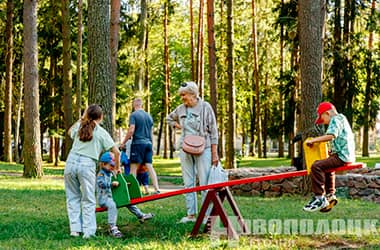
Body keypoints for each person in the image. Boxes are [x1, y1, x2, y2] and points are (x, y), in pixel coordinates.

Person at [64, 104, 120, 239]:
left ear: (87, 115)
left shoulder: (80, 126)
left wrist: (82, 117)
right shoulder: (101, 132)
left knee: (72, 197)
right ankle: (88, 232)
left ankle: (75, 230)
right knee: (88, 199)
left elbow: (69, 132)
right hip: (87, 164)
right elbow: (116, 152)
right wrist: (117, 168)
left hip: (71, 162)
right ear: (101, 117)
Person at [166, 81, 219, 223]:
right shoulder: (180, 109)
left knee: (204, 183)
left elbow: (214, 132)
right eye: (181, 95)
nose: (182, 97)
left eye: (184, 95)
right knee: (188, 182)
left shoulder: (205, 107)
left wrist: (214, 153)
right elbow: (168, 118)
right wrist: (176, 125)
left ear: (193, 94)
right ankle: (191, 215)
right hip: (186, 148)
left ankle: (206, 215)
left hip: (204, 148)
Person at [303, 102, 355, 212]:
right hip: (346, 154)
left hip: (341, 156)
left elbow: (331, 136)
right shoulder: (342, 119)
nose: (323, 123)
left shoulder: (335, 119)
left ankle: (319, 198)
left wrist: (314, 140)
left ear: (327, 113)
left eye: (322, 119)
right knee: (327, 167)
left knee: (316, 166)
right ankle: (330, 195)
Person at [120, 98, 160, 194]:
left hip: (138, 143)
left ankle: (132, 191)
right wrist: (152, 146)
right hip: (148, 144)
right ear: (141, 105)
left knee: (133, 167)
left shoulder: (134, 115)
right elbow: (151, 133)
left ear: (134, 105)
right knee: (149, 166)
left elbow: (131, 129)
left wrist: (123, 142)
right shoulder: (149, 116)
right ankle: (157, 189)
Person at [96, 152, 123, 238]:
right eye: (111, 165)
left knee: (126, 200)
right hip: (103, 199)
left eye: (114, 166)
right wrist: (111, 184)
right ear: (104, 164)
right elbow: (101, 184)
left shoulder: (110, 173)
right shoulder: (101, 174)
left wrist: (117, 173)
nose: (113, 167)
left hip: (111, 197)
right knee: (112, 205)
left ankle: (140, 215)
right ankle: (112, 227)